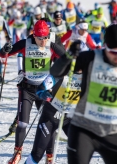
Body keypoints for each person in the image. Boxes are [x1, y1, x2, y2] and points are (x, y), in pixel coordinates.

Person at [0, 20, 65, 164]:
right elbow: (3, 55)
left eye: (46, 37)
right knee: (22, 123)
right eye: (40, 38)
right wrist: (5, 49)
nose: (43, 41)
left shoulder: (51, 45)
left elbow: (68, 59)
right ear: (34, 35)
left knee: (49, 124)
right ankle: (17, 153)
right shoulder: (24, 44)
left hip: (44, 89)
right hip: (27, 89)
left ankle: (49, 157)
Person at [50, 23, 117, 164]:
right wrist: (68, 55)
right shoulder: (91, 57)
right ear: (105, 45)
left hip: (112, 130)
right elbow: (56, 72)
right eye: (113, 52)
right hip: (83, 128)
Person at [25, 68, 82, 164]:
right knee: (37, 155)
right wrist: (44, 94)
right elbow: (40, 89)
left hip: (69, 119)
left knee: (80, 150)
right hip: (50, 118)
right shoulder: (61, 73)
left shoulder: (89, 76)